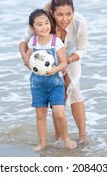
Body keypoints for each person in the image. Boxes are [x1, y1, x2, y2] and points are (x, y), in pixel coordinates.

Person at [20, 0, 88, 145]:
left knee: (74, 90)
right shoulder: (43, 21)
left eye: (69, 14)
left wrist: (65, 62)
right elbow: (24, 41)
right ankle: (59, 136)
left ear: (74, 11)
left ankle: (82, 136)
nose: (65, 19)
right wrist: (26, 58)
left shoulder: (79, 21)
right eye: (60, 15)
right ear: (52, 13)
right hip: (47, 61)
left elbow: (82, 49)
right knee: (59, 97)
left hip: (71, 56)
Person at [26, 9, 77, 152]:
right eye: (39, 24)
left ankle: (66, 138)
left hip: (55, 84)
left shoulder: (56, 42)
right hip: (37, 85)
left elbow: (63, 62)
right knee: (40, 114)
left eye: (47, 23)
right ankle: (42, 143)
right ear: (32, 28)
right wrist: (30, 63)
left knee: (59, 113)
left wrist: (56, 69)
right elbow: (31, 61)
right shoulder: (32, 42)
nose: (44, 27)